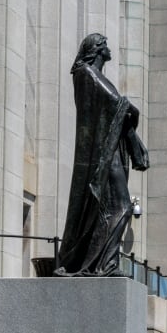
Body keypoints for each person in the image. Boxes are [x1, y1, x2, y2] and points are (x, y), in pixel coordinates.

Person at [56, 33, 148, 277]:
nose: (109, 49)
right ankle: (101, 265)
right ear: (96, 50)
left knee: (116, 207)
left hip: (110, 149)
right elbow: (117, 102)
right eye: (105, 45)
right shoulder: (86, 74)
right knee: (122, 205)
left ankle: (104, 263)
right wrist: (130, 109)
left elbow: (117, 105)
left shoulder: (94, 75)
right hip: (100, 155)